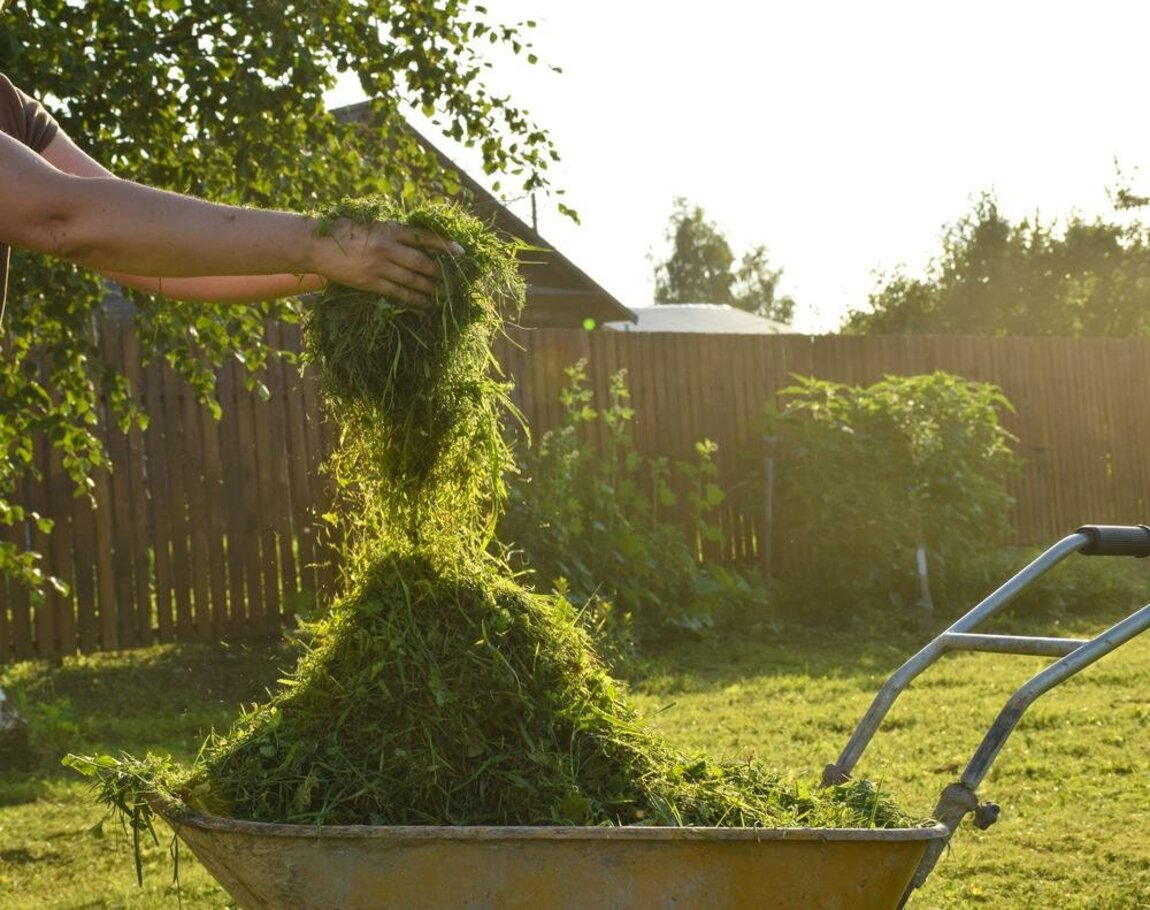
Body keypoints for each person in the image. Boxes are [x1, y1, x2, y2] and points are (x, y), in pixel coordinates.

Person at [0, 71, 458, 324]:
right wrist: (323, 243)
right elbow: (66, 219)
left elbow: (145, 255)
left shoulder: (11, 109)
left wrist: (347, 265)